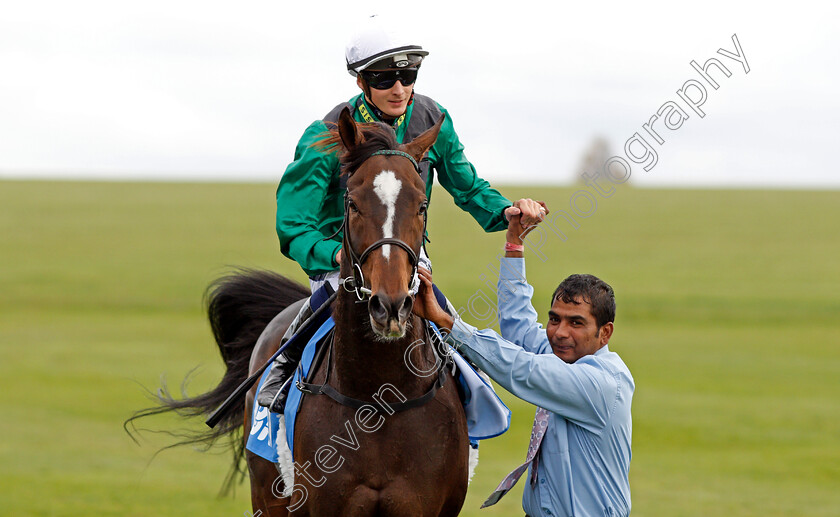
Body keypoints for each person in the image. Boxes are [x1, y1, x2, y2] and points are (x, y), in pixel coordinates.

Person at [257, 15, 544, 412]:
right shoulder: (325, 136)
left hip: (409, 253)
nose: (399, 89)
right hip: (344, 257)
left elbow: (466, 185)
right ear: (361, 82)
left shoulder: (433, 120)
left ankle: (470, 401)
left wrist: (506, 211)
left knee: (446, 327)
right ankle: (280, 371)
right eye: (384, 78)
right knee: (326, 299)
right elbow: (293, 224)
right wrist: (336, 255)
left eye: (408, 75)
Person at [413, 201, 634, 517]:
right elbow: (518, 322)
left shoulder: (601, 383)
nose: (559, 333)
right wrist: (515, 245)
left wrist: (449, 324)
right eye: (555, 319)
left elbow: (523, 369)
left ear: (605, 333)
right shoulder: (563, 358)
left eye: (576, 322)